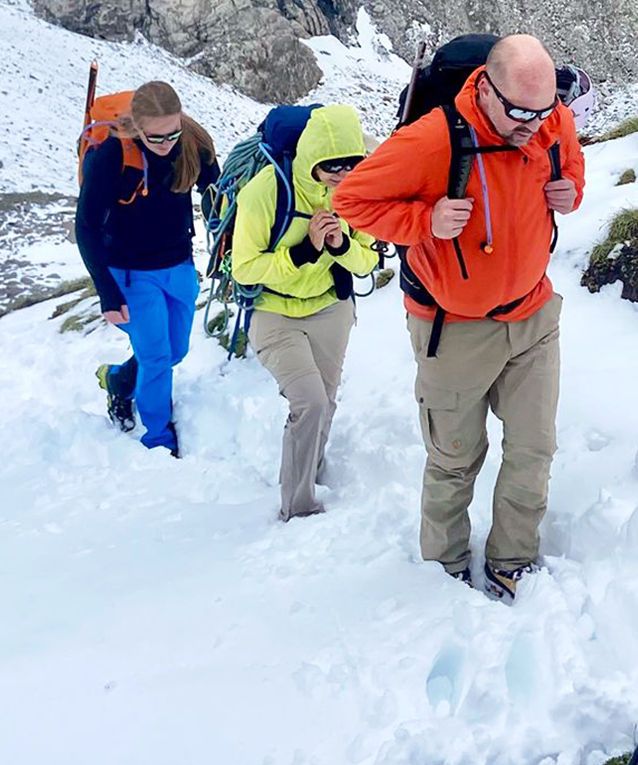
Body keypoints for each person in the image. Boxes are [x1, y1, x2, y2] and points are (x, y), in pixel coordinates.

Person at [333, 34, 586, 599]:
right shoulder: (431, 140)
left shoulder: (550, 121)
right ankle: (442, 567)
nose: (534, 123)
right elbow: (352, 200)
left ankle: (511, 558)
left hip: (533, 315)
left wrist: (571, 192)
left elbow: (570, 162)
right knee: (454, 459)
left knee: (534, 448)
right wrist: (425, 220)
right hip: (453, 328)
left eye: (545, 110)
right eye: (520, 111)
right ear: (485, 87)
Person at [229, 105, 381, 521]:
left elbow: (367, 262)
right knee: (310, 402)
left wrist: (340, 247)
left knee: (325, 402)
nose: (341, 173)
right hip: (274, 314)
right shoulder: (265, 191)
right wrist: (303, 251)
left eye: (350, 163)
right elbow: (243, 268)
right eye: (330, 165)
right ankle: (297, 508)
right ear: (310, 156)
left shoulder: (357, 191)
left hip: (331, 309)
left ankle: (309, 467)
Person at [75, 80, 219, 457]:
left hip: (179, 266)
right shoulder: (111, 155)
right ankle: (159, 438)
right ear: (137, 126)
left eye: (174, 132)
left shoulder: (191, 140)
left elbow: (214, 188)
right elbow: (86, 227)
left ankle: (119, 380)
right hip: (130, 273)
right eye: (156, 138)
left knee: (175, 351)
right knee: (156, 356)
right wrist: (107, 291)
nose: (167, 143)